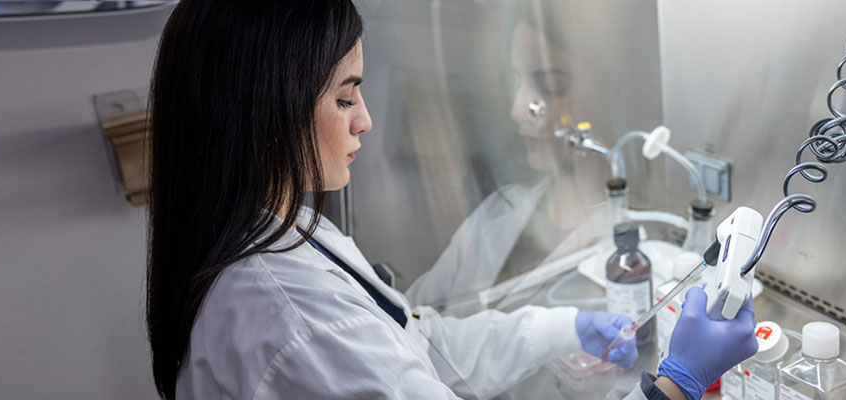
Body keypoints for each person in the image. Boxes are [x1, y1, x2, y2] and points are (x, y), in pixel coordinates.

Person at [144, 1, 760, 399]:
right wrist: (674, 386)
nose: (365, 121)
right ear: (264, 112)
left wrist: (562, 327)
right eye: (344, 97)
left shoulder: (289, 233)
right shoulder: (296, 321)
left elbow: (417, 346)